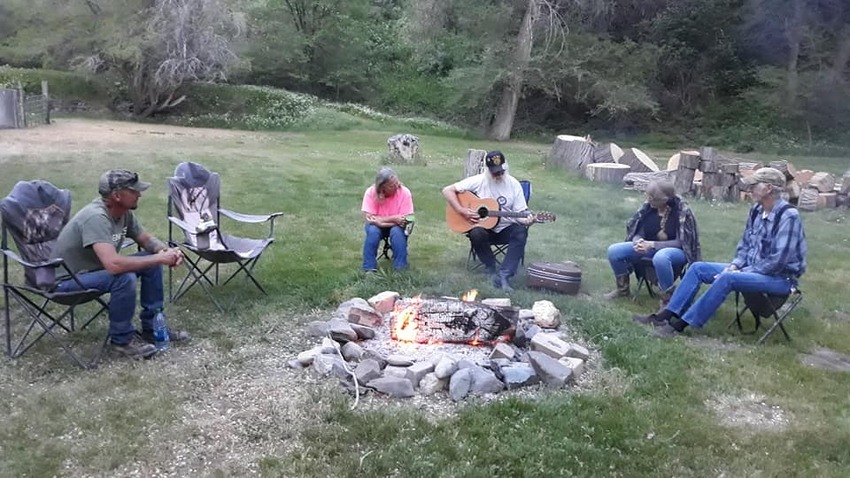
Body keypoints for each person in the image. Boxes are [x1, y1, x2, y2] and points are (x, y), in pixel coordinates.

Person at [633, 167, 807, 337]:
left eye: (754, 186)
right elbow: (745, 244)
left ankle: (680, 325)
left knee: (727, 278)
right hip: (752, 270)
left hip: (780, 279)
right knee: (698, 268)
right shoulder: (756, 210)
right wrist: (734, 265)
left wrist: (740, 272)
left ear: (768, 189)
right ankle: (664, 316)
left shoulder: (788, 216)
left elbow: (778, 262)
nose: (749, 189)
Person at [50, 170, 190, 359]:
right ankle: (121, 343)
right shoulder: (96, 217)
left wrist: (166, 252)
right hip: (65, 283)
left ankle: (152, 328)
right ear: (117, 195)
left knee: (149, 261)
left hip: (91, 274)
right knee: (124, 277)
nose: (139, 194)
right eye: (134, 191)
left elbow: (146, 240)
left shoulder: (123, 213)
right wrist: (159, 258)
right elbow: (114, 265)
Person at [442, 150, 533, 291]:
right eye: (494, 172)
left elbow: (521, 212)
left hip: (505, 228)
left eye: (501, 171)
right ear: (487, 170)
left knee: (520, 232)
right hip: (484, 228)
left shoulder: (514, 184)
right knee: (477, 233)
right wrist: (461, 210)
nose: (498, 175)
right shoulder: (478, 181)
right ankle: (490, 265)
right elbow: (447, 190)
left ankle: (505, 274)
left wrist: (528, 220)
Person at [604, 179, 701, 304]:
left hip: (675, 252)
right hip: (648, 248)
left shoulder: (681, 212)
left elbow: (681, 242)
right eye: (648, 196)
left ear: (664, 200)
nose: (648, 200)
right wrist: (638, 242)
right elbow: (638, 231)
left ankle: (668, 300)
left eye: (652, 198)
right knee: (614, 251)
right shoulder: (648, 209)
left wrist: (652, 245)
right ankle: (623, 290)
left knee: (661, 257)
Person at [361, 167, 414, 272]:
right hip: (381, 226)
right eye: (391, 185)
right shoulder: (371, 193)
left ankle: (400, 268)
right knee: (372, 231)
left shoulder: (404, 192)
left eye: (396, 183)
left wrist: (379, 221)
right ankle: (369, 268)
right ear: (382, 187)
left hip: (399, 226)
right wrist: (394, 218)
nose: (396, 186)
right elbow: (370, 219)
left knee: (397, 232)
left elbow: (406, 219)